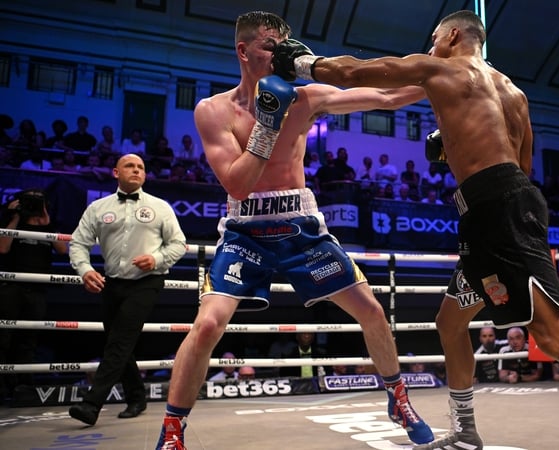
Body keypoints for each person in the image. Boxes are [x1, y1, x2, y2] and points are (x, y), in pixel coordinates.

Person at [272, 10, 559, 449]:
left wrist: (301, 62)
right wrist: (454, 150)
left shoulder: (439, 67)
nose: (429, 47)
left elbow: (354, 72)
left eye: (433, 39)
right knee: (450, 322)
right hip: (500, 208)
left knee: (552, 334)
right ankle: (466, 432)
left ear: (452, 36)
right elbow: (521, 166)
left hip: (496, 213)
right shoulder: (514, 92)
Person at [154, 11, 432, 449]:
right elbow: (238, 184)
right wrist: (267, 124)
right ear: (243, 52)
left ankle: (398, 398)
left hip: (302, 228)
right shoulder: (213, 110)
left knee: (373, 312)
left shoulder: (308, 97)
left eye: (286, 45)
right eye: (270, 46)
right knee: (207, 325)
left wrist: (447, 71)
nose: (282, 54)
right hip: (245, 232)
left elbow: (387, 97)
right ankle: (172, 431)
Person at [67, 153, 186, 426]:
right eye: (130, 166)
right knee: (119, 343)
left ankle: (91, 404)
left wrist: (155, 259)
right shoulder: (98, 207)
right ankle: (136, 397)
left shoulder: (160, 207)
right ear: (115, 173)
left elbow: (179, 244)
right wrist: (85, 270)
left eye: (141, 167)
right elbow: (78, 243)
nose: (136, 170)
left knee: (119, 341)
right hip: (112, 282)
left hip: (147, 282)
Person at [0, 189, 68, 399]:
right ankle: (3, 383)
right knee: (3, 337)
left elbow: (63, 249)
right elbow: (3, 248)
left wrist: (45, 220)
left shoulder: (47, 226)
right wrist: (15, 216)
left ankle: (23, 383)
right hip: (11, 287)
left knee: (29, 338)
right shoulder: (11, 222)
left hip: (37, 289)